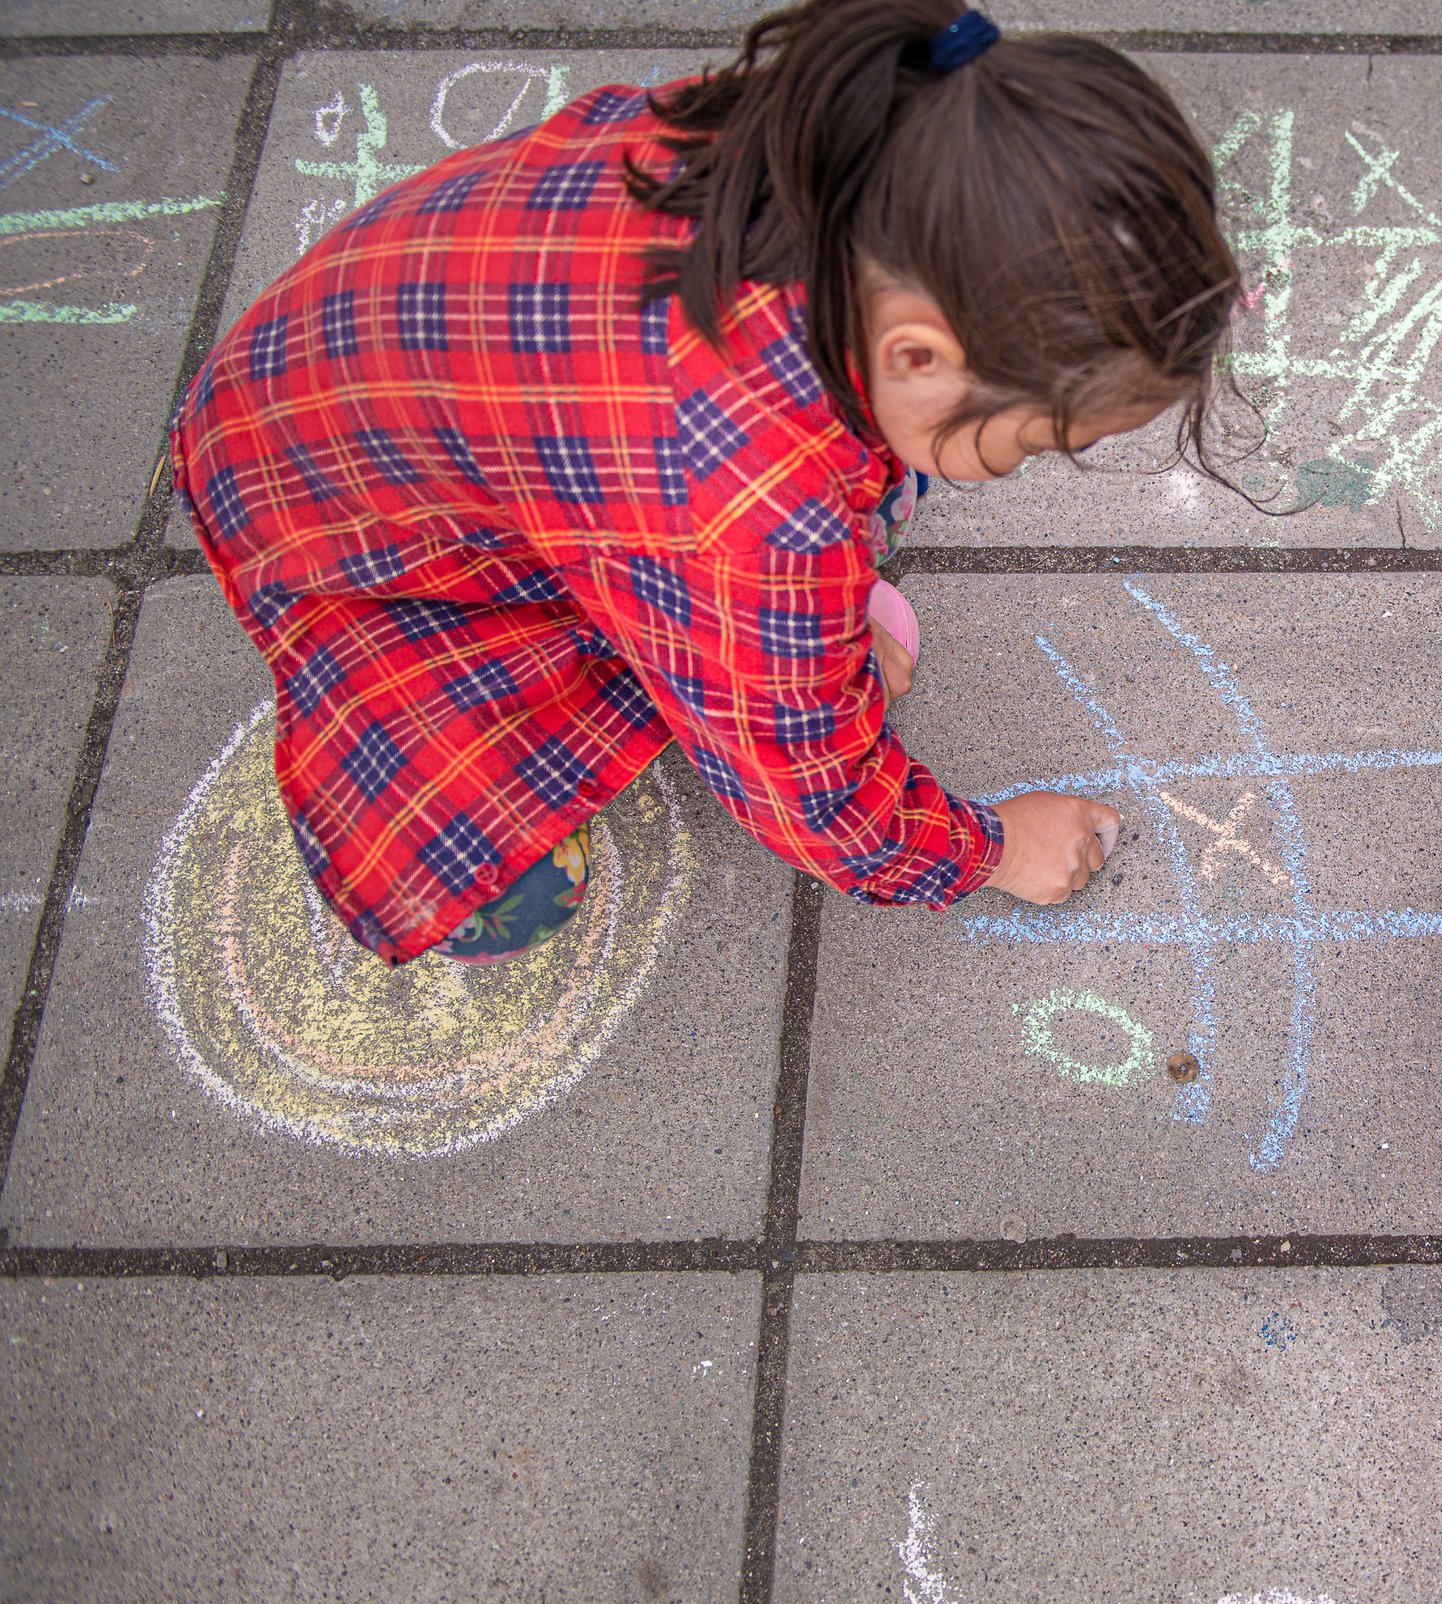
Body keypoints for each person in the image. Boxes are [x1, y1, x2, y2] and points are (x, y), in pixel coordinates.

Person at [170, 0, 1235, 965]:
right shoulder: (758, 513)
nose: (1034, 459)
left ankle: (764, 634)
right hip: (346, 537)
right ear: (914, 351)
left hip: (341, 399)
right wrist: (989, 849)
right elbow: (814, 796)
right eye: (1037, 439)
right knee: (510, 898)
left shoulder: (815, 146)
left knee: (875, 495)